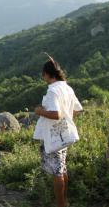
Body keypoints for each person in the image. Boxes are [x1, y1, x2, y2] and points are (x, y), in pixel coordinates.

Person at [33, 55, 83, 207]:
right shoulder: (67, 88)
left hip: (55, 136)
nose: (43, 77)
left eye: (43, 74)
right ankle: (65, 201)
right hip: (64, 134)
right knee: (62, 167)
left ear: (48, 74)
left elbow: (56, 114)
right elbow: (76, 110)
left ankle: (61, 204)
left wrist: (39, 111)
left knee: (57, 172)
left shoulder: (53, 91)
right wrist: (67, 120)